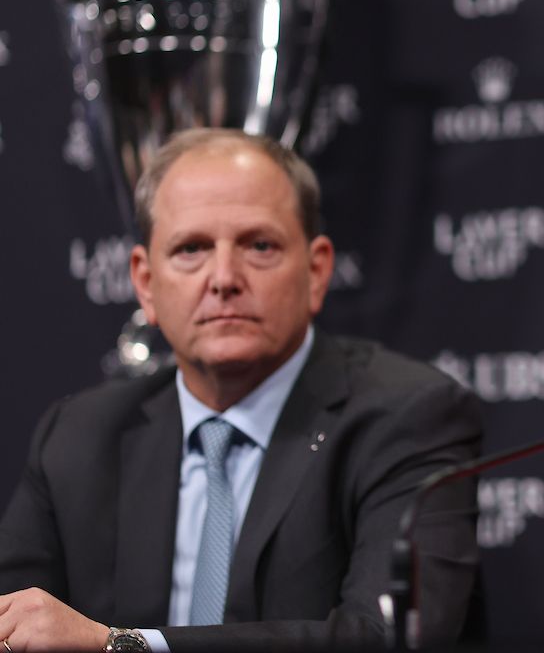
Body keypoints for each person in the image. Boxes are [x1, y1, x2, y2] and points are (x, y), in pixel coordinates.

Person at [0, 128, 482, 652]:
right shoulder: (77, 436)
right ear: (145, 282)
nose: (224, 277)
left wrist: (124, 646)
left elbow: (389, 637)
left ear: (317, 271)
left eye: (259, 245)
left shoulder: (409, 416)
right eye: (191, 249)